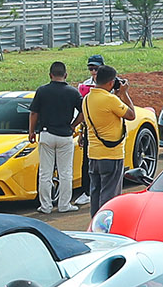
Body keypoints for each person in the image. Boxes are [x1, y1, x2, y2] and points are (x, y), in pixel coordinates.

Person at [26, 60, 83, 215]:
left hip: (46, 134)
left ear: (50, 75)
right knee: (65, 172)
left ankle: (45, 206)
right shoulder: (72, 92)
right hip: (65, 135)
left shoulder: (42, 91)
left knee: (45, 172)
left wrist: (31, 131)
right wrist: (73, 125)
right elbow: (84, 111)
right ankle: (64, 204)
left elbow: (34, 113)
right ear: (65, 75)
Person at [79, 63, 136, 209]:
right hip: (111, 155)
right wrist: (124, 94)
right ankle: (106, 227)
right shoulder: (110, 100)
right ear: (111, 82)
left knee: (96, 193)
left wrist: (116, 96)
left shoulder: (87, 99)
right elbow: (131, 115)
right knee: (109, 196)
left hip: (93, 154)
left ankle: (95, 222)